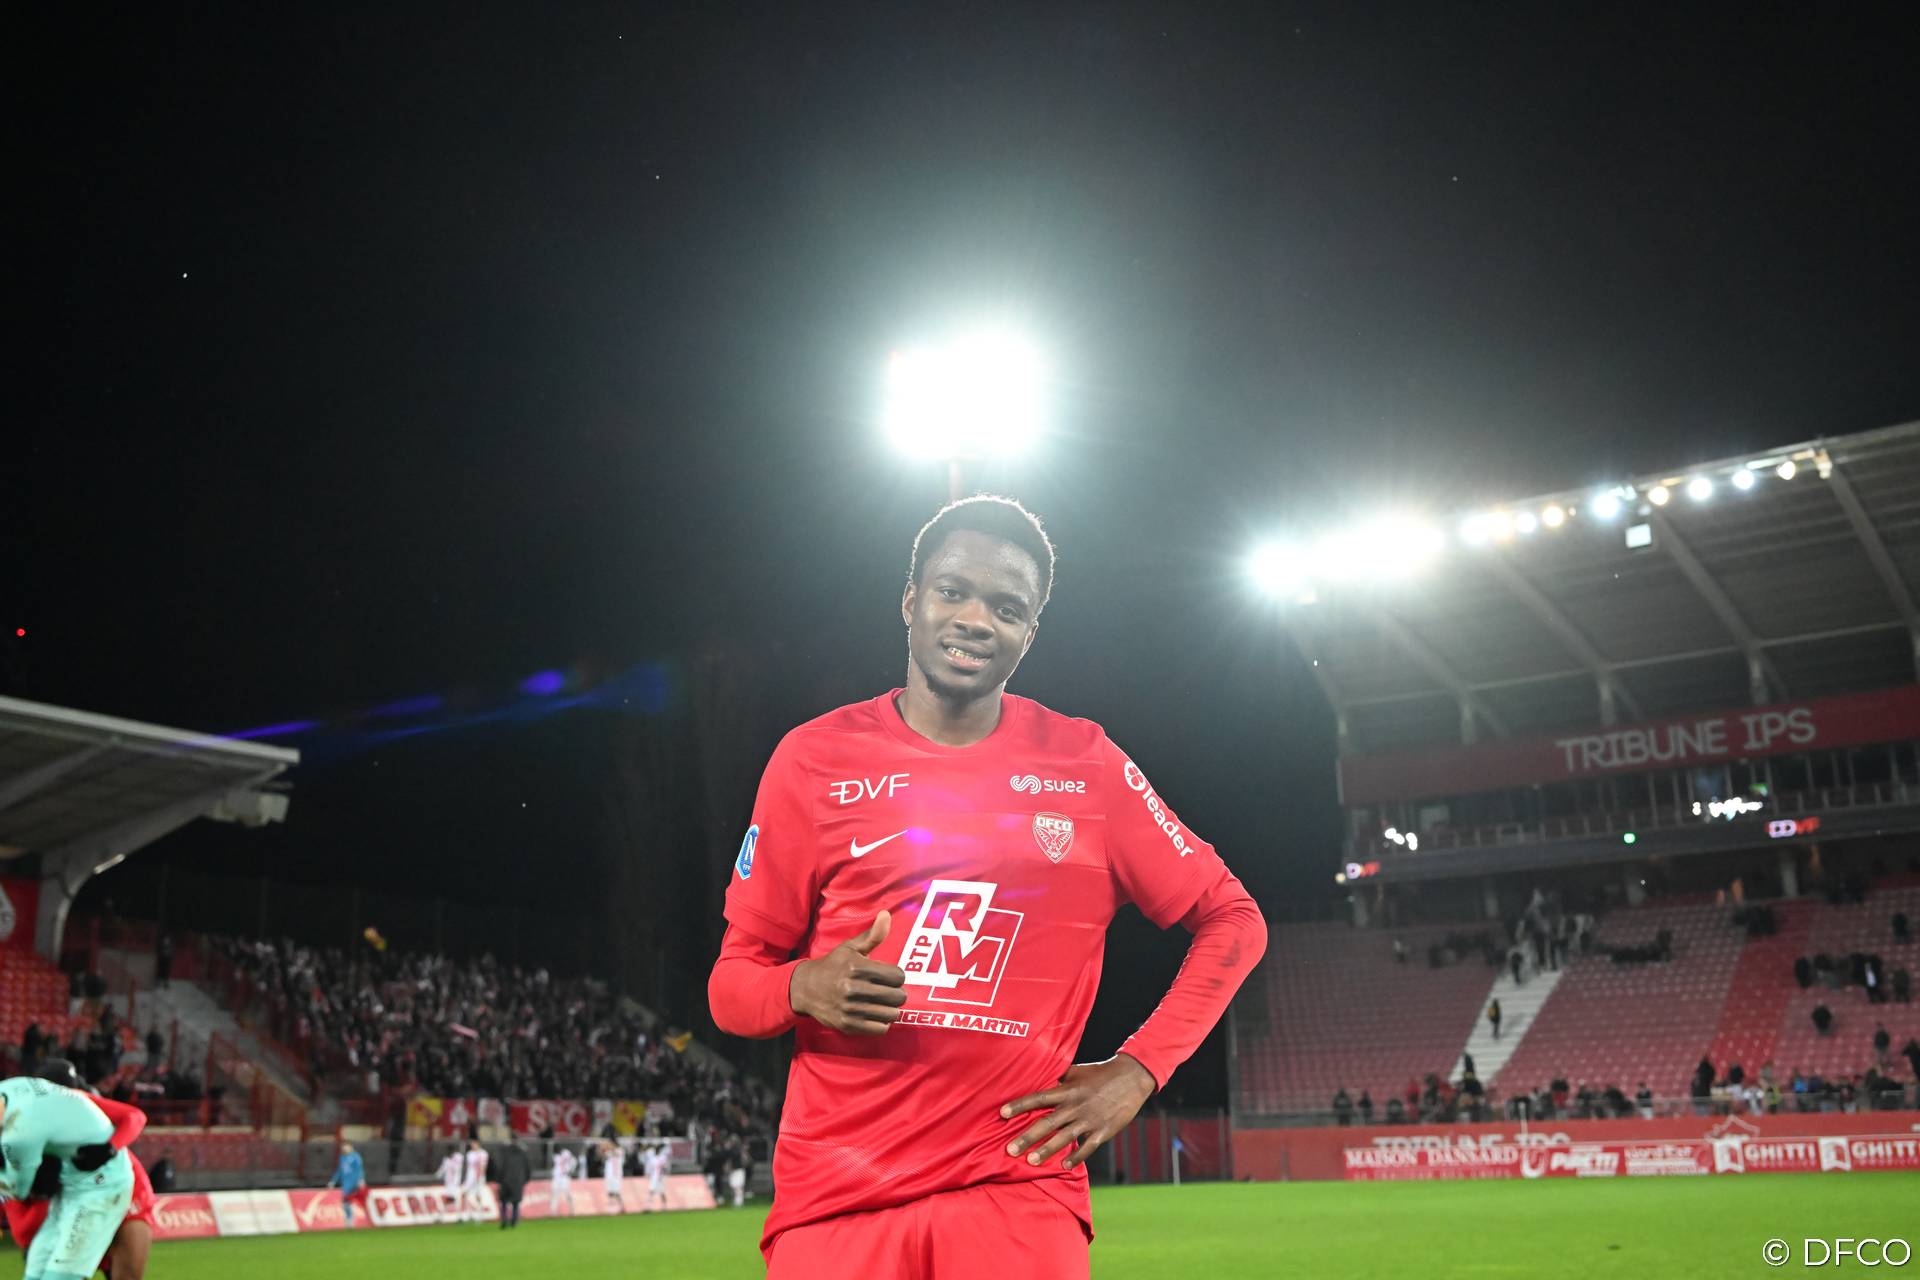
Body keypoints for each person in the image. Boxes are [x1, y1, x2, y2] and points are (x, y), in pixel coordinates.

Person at [707, 497, 1266, 1278]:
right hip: (836, 1199)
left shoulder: (1086, 765)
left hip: (1017, 1191)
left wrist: (1139, 1070)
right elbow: (730, 987)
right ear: (911, 601)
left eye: (1007, 608)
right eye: (952, 592)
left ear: (1029, 633)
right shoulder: (812, 761)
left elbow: (1233, 918)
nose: (975, 619)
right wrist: (800, 986)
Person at [5, 1059, 156, 1280]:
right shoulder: (25, 1127)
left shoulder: (76, 1101)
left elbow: (135, 1117)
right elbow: (22, 1225)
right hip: (76, 1197)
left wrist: (109, 1149)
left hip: (126, 1194)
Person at [327, 1140, 369, 1227]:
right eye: (343, 1146)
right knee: (346, 1201)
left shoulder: (355, 1156)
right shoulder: (342, 1157)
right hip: (345, 1183)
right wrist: (333, 1181)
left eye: (346, 1146)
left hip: (354, 1182)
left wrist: (361, 1179)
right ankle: (349, 1219)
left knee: (348, 1200)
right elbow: (339, 1170)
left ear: (350, 1147)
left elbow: (359, 1168)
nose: (344, 1148)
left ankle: (351, 1219)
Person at [491, 1137, 531, 1229]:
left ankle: (504, 1220)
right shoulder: (522, 1154)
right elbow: (527, 1168)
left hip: (505, 1181)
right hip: (518, 1182)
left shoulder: (504, 1153)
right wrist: (525, 1180)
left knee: (503, 1202)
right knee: (515, 1203)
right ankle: (514, 1221)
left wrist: (498, 1180)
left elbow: (499, 1167)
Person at [461, 1138, 489, 1217]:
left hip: (480, 1177)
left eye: (474, 1144)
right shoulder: (469, 1154)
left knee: (478, 1195)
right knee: (465, 1193)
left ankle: (480, 1213)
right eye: (472, 1144)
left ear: (478, 1144)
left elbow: (484, 1166)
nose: (473, 1145)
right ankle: (467, 1212)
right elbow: (469, 1167)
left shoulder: (484, 1153)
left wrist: (480, 1176)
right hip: (470, 1177)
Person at [549, 1144, 577, 1216]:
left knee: (568, 1194)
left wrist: (571, 1171)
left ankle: (572, 1211)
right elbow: (555, 1166)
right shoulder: (555, 1156)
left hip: (565, 1176)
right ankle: (553, 1213)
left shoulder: (566, 1153)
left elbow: (574, 1161)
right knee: (555, 1194)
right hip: (557, 1177)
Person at [643, 1141, 670, 1211]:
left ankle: (664, 1206)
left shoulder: (662, 1158)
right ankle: (648, 1206)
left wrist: (663, 1175)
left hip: (660, 1177)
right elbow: (650, 1168)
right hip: (654, 1177)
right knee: (651, 1190)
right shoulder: (653, 1159)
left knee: (662, 1192)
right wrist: (648, 1174)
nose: (656, 1151)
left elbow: (664, 1167)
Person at [602, 1140, 628, 1214]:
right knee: (610, 1192)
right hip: (609, 1175)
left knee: (616, 1192)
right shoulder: (609, 1152)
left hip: (616, 1175)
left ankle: (621, 1207)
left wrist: (610, 1147)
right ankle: (611, 1207)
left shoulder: (619, 1150)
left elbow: (617, 1153)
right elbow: (603, 1155)